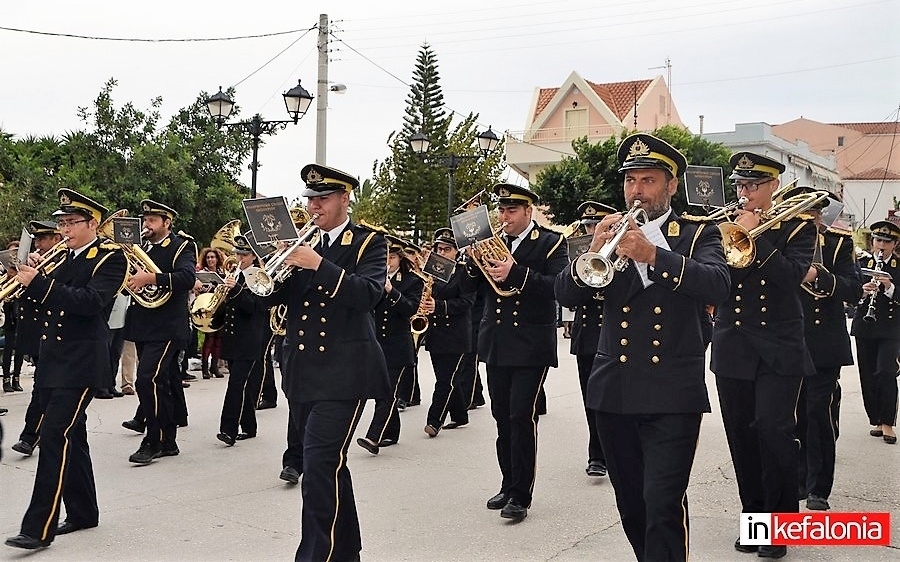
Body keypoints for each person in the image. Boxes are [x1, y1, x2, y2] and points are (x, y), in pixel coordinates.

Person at [556, 134, 730, 560]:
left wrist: (653, 253)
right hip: (615, 387)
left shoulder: (698, 232)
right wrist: (594, 249)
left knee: (662, 505)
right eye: (630, 181)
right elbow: (566, 293)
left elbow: (719, 284)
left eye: (648, 180)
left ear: (671, 185)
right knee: (631, 504)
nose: (636, 190)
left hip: (673, 390)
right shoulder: (608, 230)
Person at [270, 163, 389, 561]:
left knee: (318, 465)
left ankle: (315, 555)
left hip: (345, 372)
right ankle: (347, 551)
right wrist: (259, 275)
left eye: (322, 199)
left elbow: (369, 294)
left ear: (344, 198)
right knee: (330, 465)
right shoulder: (302, 243)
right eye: (310, 199)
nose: (314, 206)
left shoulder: (369, 241)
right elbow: (271, 300)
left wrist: (318, 264)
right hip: (303, 371)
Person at [4, 188, 127, 550]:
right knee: (74, 435)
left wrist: (39, 283)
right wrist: (24, 281)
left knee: (55, 436)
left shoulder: (110, 257)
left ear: (93, 223)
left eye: (72, 222)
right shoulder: (59, 259)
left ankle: (38, 527)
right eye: (62, 223)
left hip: (81, 363)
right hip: (52, 361)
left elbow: (90, 303)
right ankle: (84, 511)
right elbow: (42, 303)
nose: (65, 230)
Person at [711, 151, 817, 559]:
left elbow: (792, 277)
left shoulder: (797, 227)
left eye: (752, 185)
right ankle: (754, 522)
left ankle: (780, 526)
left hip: (779, 349)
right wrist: (736, 233)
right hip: (734, 346)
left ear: (774, 185)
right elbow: (720, 279)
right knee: (742, 437)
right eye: (739, 185)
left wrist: (757, 237)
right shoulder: (723, 225)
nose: (744, 192)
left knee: (774, 432)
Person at [466, 183, 568, 521]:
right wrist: (470, 264)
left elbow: (558, 288)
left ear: (529, 211)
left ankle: (521, 494)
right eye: (501, 210)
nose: (503, 217)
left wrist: (516, 272)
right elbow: (472, 290)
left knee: (521, 416)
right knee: (500, 417)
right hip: (496, 342)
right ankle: (508, 483)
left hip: (530, 345)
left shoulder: (552, 243)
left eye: (511, 210)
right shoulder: (492, 244)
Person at [791, 188, 862, 511]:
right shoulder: (785, 243)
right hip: (790, 341)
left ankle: (819, 487)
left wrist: (819, 276)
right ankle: (798, 479)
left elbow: (854, 289)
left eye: (812, 214)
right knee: (793, 416)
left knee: (817, 413)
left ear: (820, 214)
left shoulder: (839, 243)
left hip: (823, 344)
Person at [122, 199, 197, 464]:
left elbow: (188, 278)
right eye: (145, 220)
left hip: (167, 326)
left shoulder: (182, 246)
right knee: (160, 383)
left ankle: (152, 440)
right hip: (143, 322)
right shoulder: (139, 247)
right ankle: (168, 440)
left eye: (152, 220)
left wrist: (151, 278)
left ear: (167, 222)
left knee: (147, 379)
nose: (147, 225)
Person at [565, 200, 618, 478]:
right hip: (586, 335)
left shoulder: (620, 247)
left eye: (594, 225)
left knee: (611, 399)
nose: (589, 229)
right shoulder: (579, 251)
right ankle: (596, 454)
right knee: (590, 398)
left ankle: (610, 452)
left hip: (609, 333)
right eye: (586, 225)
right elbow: (569, 295)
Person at [357, 235, 424, 454]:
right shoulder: (374, 276)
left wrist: (391, 290)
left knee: (388, 393)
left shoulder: (413, 281)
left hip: (398, 345)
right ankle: (392, 432)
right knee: (383, 392)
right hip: (377, 344)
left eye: (392, 256)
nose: (388, 260)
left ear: (399, 257)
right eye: (385, 255)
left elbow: (410, 309)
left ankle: (373, 436)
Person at [11, 221, 64, 456]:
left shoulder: (60, 261)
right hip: (32, 329)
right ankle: (42, 433)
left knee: (42, 386)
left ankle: (30, 435)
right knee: (44, 386)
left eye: (43, 239)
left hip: (50, 330)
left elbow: (55, 291)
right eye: (37, 240)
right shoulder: (38, 260)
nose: (39, 244)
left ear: (55, 238)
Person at [422, 228, 476, 436]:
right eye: (439, 249)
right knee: (447, 378)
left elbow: (466, 302)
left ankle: (434, 421)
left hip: (456, 335)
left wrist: (439, 306)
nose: (442, 253)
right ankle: (460, 414)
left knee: (445, 381)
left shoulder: (464, 272)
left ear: (456, 251)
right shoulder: (434, 272)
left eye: (446, 249)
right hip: (436, 334)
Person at [850, 220, 900, 445]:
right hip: (865, 327)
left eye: (887, 242)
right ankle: (877, 420)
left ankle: (888, 421)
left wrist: (889, 288)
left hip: (891, 329)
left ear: (895, 244)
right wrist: (862, 293)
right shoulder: (860, 263)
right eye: (878, 240)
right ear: (872, 241)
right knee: (868, 375)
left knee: (886, 372)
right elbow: (850, 295)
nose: (881, 246)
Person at [216, 236, 269, 445]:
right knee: (242, 385)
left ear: (254, 256)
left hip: (249, 338)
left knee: (236, 384)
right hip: (232, 338)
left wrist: (235, 289)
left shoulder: (260, 277)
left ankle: (228, 429)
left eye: (244, 254)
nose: (239, 257)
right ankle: (249, 426)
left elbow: (256, 307)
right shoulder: (235, 274)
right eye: (237, 253)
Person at [197, 247, 226, 379]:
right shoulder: (202, 273)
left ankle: (214, 366)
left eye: (213, 257)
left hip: (220, 307)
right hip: (207, 308)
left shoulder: (222, 272)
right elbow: (199, 291)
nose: (210, 260)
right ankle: (205, 368)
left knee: (219, 338)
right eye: (208, 257)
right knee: (209, 338)